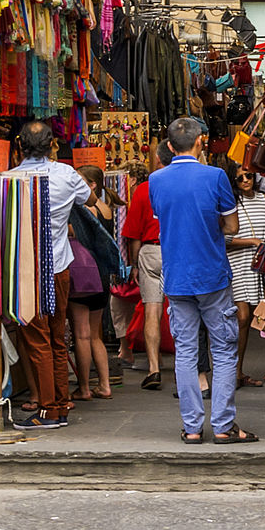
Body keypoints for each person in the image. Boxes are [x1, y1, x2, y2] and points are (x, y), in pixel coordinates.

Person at [150, 116, 252, 444]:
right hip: (212, 274)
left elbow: (164, 219)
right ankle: (223, 425)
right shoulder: (216, 176)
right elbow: (232, 227)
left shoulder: (156, 180)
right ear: (200, 142)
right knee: (223, 349)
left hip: (177, 276)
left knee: (186, 351)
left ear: (168, 146)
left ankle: (192, 427)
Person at [9, 121, 91, 428]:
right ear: (52, 144)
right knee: (58, 337)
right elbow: (91, 201)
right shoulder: (66, 174)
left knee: (38, 339)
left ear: (19, 146)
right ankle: (60, 402)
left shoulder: (9, 180)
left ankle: (49, 410)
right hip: (58, 267)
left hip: (28, 272)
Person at [70, 164, 117, 400]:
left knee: (82, 333)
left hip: (83, 274)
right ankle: (105, 385)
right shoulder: (106, 208)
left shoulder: (84, 210)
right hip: (101, 274)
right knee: (95, 334)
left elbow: (73, 233)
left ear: (92, 185)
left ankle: (85, 387)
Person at [227, 163, 265, 398]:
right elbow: (223, 240)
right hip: (238, 264)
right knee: (242, 317)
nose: (245, 180)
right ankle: (234, 371)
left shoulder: (264, 199)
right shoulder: (230, 203)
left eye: (249, 175)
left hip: (259, 266)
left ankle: (248, 370)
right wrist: (252, 242)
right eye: (240, 178)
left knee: (261, 317)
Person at [117, 162, 163, 390]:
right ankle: (192, 370)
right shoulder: (183, 182)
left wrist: (134, 264)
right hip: (179, 250)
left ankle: (154, 369)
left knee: (152, 311)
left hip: (151, 250)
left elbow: (133, 232)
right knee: (184, 310)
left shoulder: (144, 189)